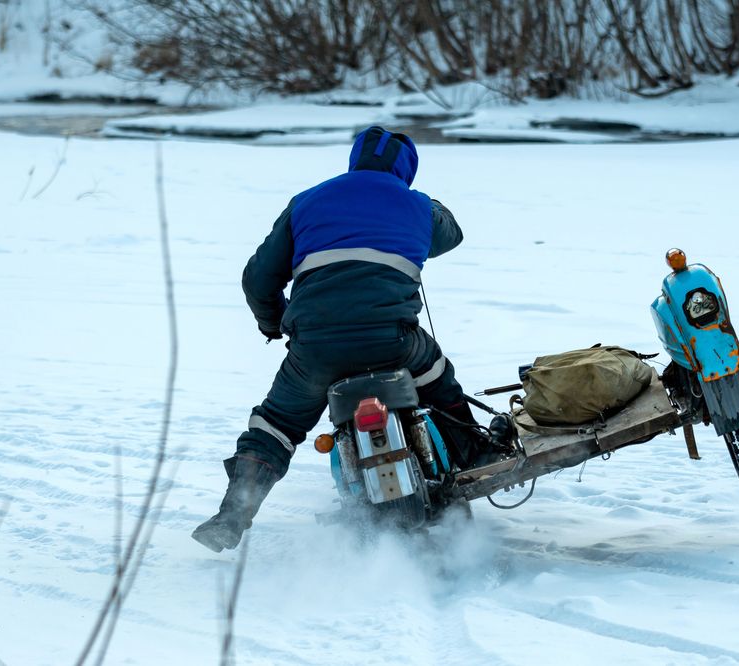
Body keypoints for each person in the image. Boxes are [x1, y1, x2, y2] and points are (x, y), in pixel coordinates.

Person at [192, 126, 510, 553]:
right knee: (439, 378)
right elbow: (451, 235)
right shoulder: (418, 206)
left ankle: (233, 514)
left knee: (276, 425)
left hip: (314, 350)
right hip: (394, 342)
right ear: (407, 170)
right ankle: (477, 452)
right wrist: (427, 204)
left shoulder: (307, 202)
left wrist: (274, 323)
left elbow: (258, 278)